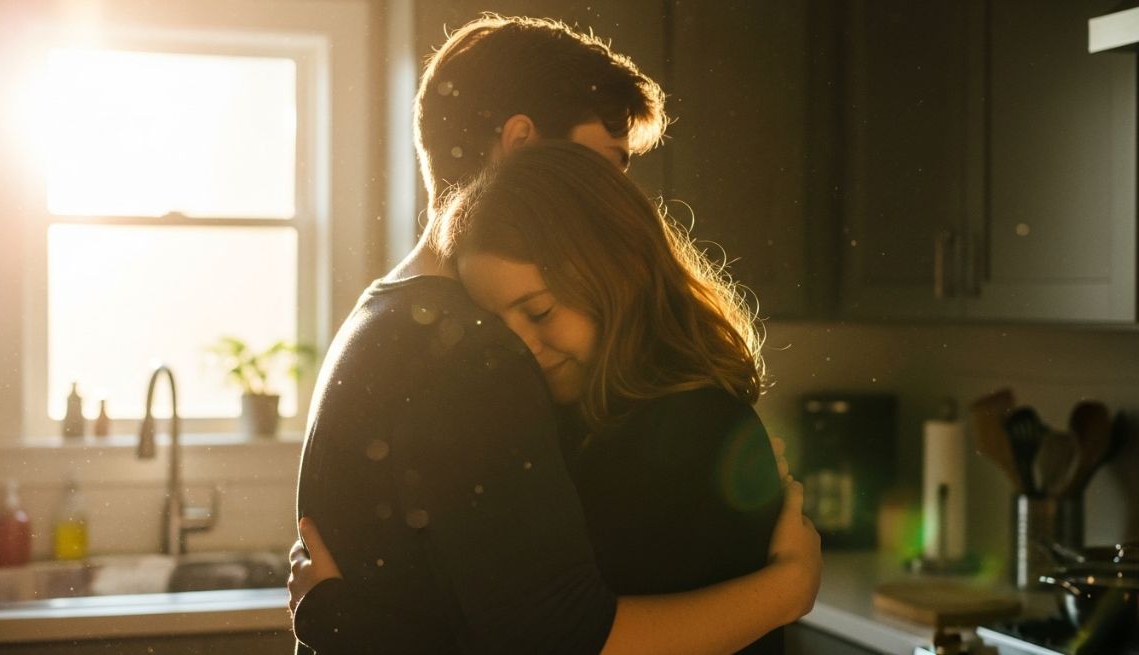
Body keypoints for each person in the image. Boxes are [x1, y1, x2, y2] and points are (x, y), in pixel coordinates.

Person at [291, 14, 820, 655]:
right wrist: (787, 590)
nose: (614, 197)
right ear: (520, 146)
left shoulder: (384, 316)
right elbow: (553, 636)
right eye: (603, 163)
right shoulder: (476, 354)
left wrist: (343, 623)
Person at [435, 139, 789, 653]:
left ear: (618, 274)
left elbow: (577, 640)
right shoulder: (580, 422)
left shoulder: (692, 429)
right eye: (496, 327)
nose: (522, 349)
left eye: (538, 313)